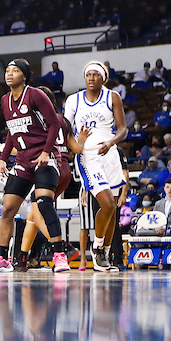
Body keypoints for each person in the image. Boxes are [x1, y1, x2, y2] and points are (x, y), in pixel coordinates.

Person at [0, 59, 61, 271]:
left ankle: (60, 255)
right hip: (23, 160)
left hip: (43, 156)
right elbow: (12, 131)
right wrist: (3, 158)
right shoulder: (5, 100)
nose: (9, 74)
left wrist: (46, 151)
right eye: (7, 71)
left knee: (44, 202)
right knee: (7, 208)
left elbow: (54, 123)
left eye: (15, 71)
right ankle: (2, 258)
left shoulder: (35, 94)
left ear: (24, 76)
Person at [63, 61, 128, 271]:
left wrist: (111, 143)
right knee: (107, 204)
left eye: (95, 75)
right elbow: (64, 128)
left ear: (103, 78)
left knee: (112, 210)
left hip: (110, 155)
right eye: (88, 75)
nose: (91, 78)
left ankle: (103, 255)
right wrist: (77, 145)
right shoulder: (74, 100)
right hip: (88, 156)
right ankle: (97, 247)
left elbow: (123, 129)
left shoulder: (112, 97)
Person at [16, 89, 87, 272]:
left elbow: (31, 147)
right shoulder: (63, 120)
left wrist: (6, 150)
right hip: (65, 170)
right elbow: (77, 149)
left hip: (50, 166)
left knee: (38, 210)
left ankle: (63, 247)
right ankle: (22, 259)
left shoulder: (40, 119)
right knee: (33, 215)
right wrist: (83, 140)